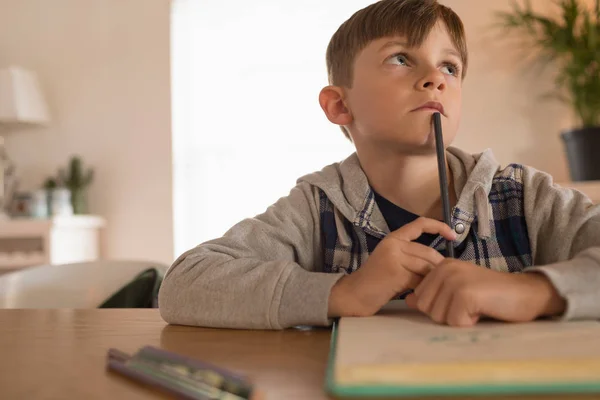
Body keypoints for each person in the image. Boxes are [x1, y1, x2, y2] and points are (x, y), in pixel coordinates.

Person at [158, 0, 600, 329]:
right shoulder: (316, 208)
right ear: (338, 105)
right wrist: (344, 292)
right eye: (401, 58)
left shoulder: (524, 197)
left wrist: (534, 292)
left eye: (450, 66)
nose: (434, 78)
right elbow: (184, 285)